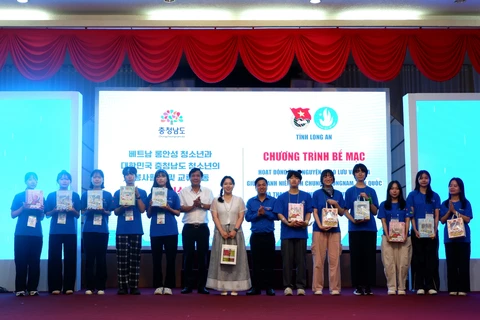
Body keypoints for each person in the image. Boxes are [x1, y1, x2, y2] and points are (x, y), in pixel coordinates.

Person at [206, 176, 251, 295]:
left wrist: (235, 230)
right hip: (221, 233)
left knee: (236, 260)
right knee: (222, 261)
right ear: (222, 186)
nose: (228, 186)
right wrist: (221, 231)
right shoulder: (216, 200)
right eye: (225, 183)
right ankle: (223, 287)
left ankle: (235, 287)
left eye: (230, 183)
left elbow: (241, 216)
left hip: (235, 233)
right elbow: (214, 217)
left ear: (233, 185)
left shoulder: (239, 200)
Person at [274, 170, 312, 296]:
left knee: (301, 261)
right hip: (287, 232)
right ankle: (288, 286)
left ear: (300, 180)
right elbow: (279, 214)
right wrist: (287, 222)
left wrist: (306, 221)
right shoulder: (282, 197)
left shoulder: (306, 196)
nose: (294, 180)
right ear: (288, 180)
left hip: (301, 233)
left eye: (296, 178)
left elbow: (308, 212)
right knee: (287, 261)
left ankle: (300, 286)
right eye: (291, 178)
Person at [344, 163, 379, 296]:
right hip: (355, 229)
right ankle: (358, 286)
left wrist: (368, 200)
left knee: (369, 258)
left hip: (370, 229)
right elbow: (345, 210)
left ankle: (368, 286)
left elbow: (375, 212)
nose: (360, 173)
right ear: (354, 174)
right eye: (357, 171)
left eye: (362, 171)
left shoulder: (371, 191)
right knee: (356, 258)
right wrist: (352, 220)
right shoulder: (349, 191)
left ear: (366, 174)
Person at [113, 166, 148, 295]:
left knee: (135, 259)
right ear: (124, 177)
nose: (130, 176)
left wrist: (137, 196)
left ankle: (134, 286)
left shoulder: (142, 192)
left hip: (136, 229)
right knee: (122, 259)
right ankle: (122, 286)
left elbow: (143, 209)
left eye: (132, 174)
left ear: (136, 176)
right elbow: (115, 212)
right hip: (122, 229)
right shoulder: (118, 192)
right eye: (127, 174)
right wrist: (123, 206)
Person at [45, 170, 81, 295]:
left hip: (70, 231)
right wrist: (54, 210)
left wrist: (72, 209)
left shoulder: (75, 196)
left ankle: (69, 286)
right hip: (55, 231)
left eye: (66, 179)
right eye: (62, 178)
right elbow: (47, 214)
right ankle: (55, 286)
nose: (64, 181)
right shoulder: (51, 195)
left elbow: (78, 215)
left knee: (70, 258)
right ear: (57, 181)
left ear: (70, 181)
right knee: (54, 258)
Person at [179, 168, 214, 294]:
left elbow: (212, 206)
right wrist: (193, 206)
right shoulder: (183, 191)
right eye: (193, 175)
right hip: (188, 227)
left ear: (201, 177)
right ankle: (187, 285)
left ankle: (201, 286)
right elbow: (181, 208)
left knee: (202, 257)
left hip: (202, 228)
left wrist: (201, 205)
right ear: (189, 177)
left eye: (198, 175)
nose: (195, 177)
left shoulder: (208, 191)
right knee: (188, 256)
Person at [406, 170, 441, 295]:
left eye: (426, 178)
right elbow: (411, 214)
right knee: (418, 259)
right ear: (417, 180)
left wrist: (435, 230)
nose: (424, 180)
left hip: (432, 233)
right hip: (417, 233)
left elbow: (437, 215)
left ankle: (431, 285)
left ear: (429, 180)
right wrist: (414, 230)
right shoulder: (412, 195)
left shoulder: (435, 196)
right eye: (421, 178)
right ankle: (419, 285)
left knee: (432, 259)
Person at [147, 169, 181, 296]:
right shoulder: (151, 194)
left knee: (170, 259)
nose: (160, 179)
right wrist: (150, 206)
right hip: (155, 231)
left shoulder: (173, 194)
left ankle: (168, 285)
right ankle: (158, 285)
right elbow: (149, 215)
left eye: (163, 176)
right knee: (156, 260)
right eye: (158, 177)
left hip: (171, 231)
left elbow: (178, 212)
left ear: (167, 179)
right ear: (155, 179)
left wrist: (168, 208)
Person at [10, 172, 45, 297]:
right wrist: (23, 208)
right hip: (21, 233)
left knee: (35, 261)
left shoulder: (40, 196)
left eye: (35, 179)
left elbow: (42, 218)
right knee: (20, 261)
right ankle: (20, 288)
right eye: (30, 179)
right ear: (26, 181)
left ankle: (33, 288)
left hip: (36, 234)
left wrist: (41, 211)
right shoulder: (19, 196)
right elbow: (13, 214)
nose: (32, 181)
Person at [311, 169, 345, 296]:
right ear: (322, 179)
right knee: (318, 260)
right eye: (325, 176)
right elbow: (314, 211)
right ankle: (318, 287)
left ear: (333, 179)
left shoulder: (339, 194)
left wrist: (336, 203)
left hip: (335, 230)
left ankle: (335, 288)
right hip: (319, 230)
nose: (328, 178)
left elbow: (341, 213)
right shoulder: (316, 193)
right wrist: (320, 225)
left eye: (330, 176)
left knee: (334, 260)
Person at [81, 169, 113, 295]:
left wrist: (104, 211)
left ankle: (101, 286)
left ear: (103, 180)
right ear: (91, 179)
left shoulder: (108, 195)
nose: (97, 179)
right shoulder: (85, 194)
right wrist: (88, 209)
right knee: (89, 258)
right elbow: (82, 211)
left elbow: (110, 211)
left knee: (101, 258)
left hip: (103, 230)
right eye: (94, 177)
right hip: (88, 229)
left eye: (99, 177)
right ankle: (89, 286)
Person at [378, 181, 412, 295]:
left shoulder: (406, 204)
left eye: (397, 188)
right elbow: (383, 221)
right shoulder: (383, 205)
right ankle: (391, 286)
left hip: (404, 239)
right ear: (388, 191)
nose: (394, 191)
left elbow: (408, 221)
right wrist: (387, 235)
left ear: (400, 191)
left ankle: (402, 286)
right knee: (389, 263)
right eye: (392, 188)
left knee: (403, 263)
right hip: (388, 238)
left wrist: (405, 235)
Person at [440, 177, 473, 296]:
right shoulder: (444, 203)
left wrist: (455, 212)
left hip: (464, 238)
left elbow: (468, 219)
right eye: (450, 185)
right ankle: (452, 288)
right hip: (449, 238)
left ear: (460, 188)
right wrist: (449, 211)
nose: (452, 188)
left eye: (455, 185)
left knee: (463, 263)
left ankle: (463, 288)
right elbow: (442, 220)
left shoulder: (465, 203)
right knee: (451, 263)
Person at [245, 177, 277, 296]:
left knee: (269, 262)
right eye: (259, 185)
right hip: (256, 236)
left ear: (267, 186)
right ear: (255, 187)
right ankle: (256, 288)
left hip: (269, 235)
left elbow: (277, 216)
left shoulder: (273, 200)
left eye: (264, 185)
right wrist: (258, 214)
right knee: (256, 262)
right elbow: (247, 218)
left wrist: (266, 213)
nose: (261, 187)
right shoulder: (251, 201)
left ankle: (269, 287)